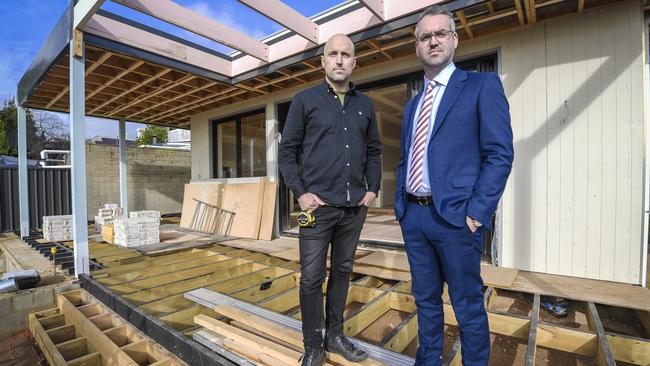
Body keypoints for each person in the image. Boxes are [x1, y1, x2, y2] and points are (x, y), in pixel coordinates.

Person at [394, 5, 514, 365]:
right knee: (426, 300)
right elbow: (405, 158)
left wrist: (477, 213)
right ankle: (429, 359)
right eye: (425, 36)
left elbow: (499, 154)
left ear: (454, 39)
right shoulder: (412, 105)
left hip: (457, 221)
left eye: (439, 33)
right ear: (417, 47)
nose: (432, 41)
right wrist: (401, 209)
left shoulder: (481, 86)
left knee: (467, 305)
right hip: (414, 218)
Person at [279, 33, 382, 366]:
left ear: (354, 62)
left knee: (342, 272)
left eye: (346, 54)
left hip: (354, 209)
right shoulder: (305, 100)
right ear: (323, 61)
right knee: (311, 278)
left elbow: (374, 150)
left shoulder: (365, 105)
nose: (339, 59)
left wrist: (373, 188)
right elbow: (287, 151)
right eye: (333, 54)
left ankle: (335, 336)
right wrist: (300, 192)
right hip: (317, 208)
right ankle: (313, 345)